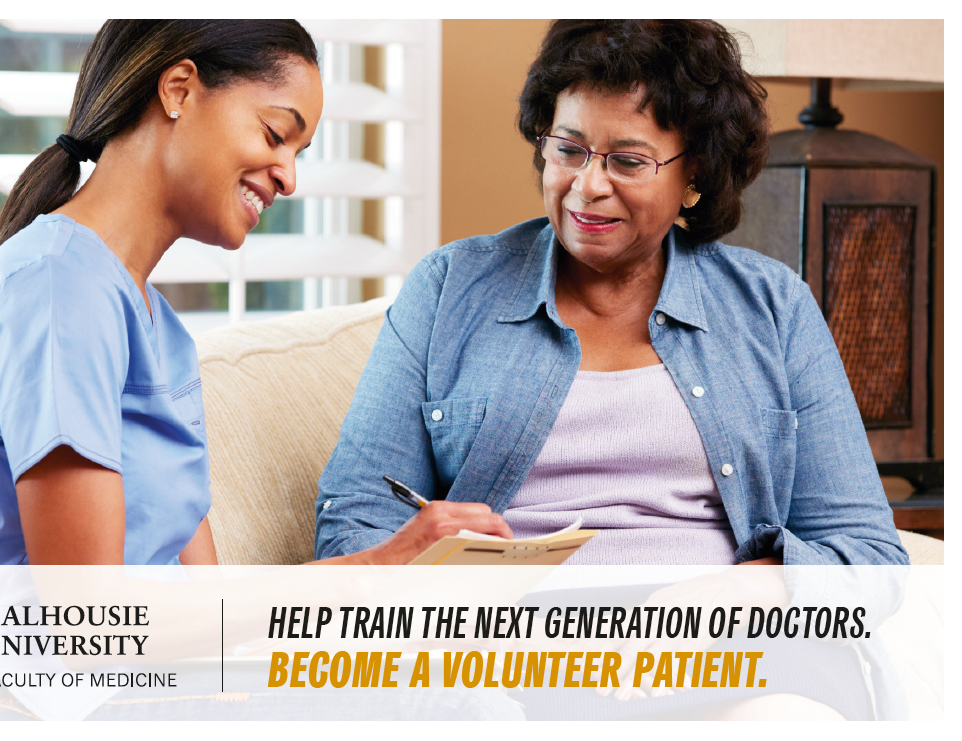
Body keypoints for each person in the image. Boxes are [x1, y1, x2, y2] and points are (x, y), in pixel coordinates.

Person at [314, 20, 909, 719]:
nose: (586, 186)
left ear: (694, 175)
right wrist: (434, 574)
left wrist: (752, 591)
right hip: (511, 646)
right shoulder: (450, 287)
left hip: (733, 635)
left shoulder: (772, 306)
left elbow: (869, 555)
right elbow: (352, 519)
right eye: (567, 149)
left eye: (628, 161)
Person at [0, 19, 510, 570]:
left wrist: (392, 569)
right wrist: (377, 569)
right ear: (179, 90)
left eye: (297, 153)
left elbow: (211, 610)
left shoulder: (158, 330)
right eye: (275, 134)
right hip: (19, 689)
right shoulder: (60, 292)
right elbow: (86, 624)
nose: (289, 179)